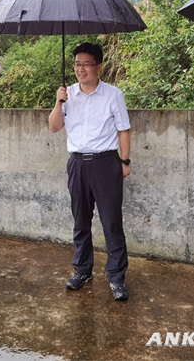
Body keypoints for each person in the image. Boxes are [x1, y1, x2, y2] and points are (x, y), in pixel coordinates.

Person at [48, 42, 131, 301]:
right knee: (80, 221)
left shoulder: (113, 94)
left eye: (86, 64)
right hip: (77, 164)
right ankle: (82, 270)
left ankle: (116, 277)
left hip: (106, 163)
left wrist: (124, 161)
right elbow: (54, 127)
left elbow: (123, 129)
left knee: (111, 222)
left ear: (99, 66)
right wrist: (58, 102)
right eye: (77, 64)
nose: (80, 69)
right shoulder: (67, 94)